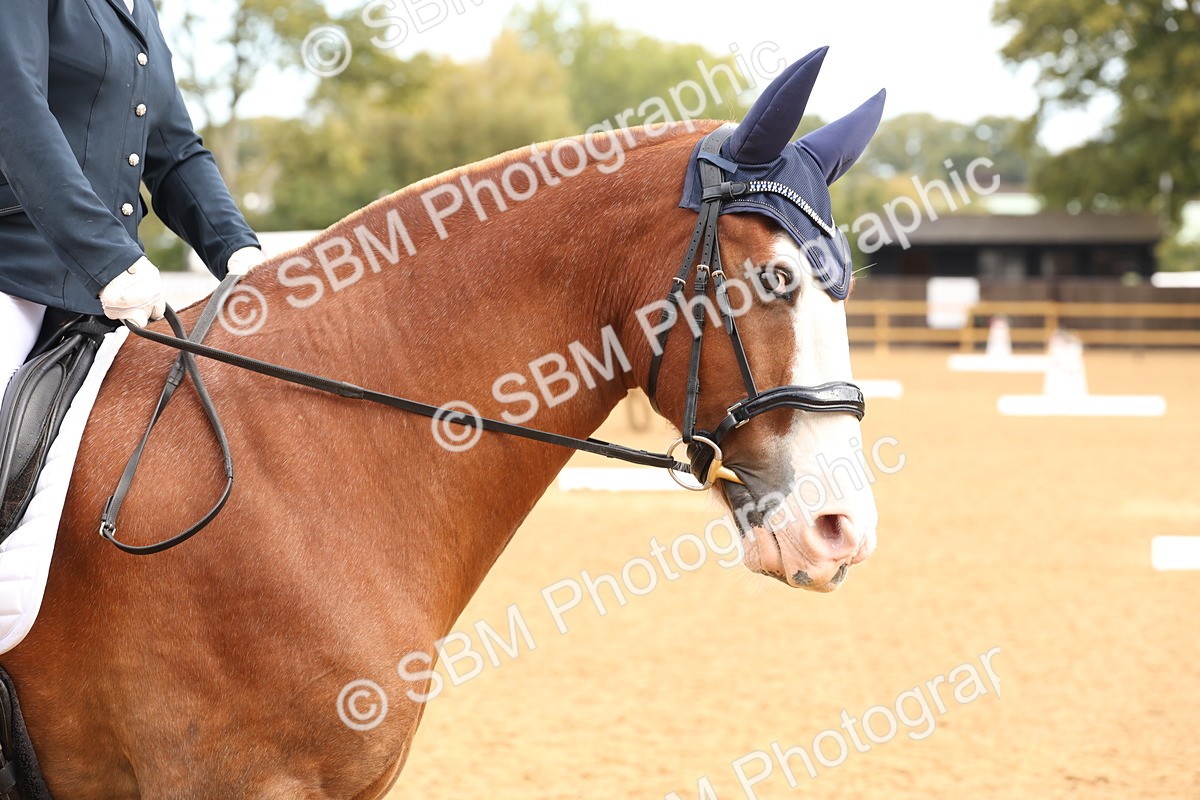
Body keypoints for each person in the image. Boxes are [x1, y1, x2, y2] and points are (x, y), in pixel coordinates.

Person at [0, 0, 266, 401]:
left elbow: (175, 151)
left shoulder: (141, 11)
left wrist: (238, 250)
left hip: (116, 293)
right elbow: (15, 107)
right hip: (17, 271)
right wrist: (108, 259)